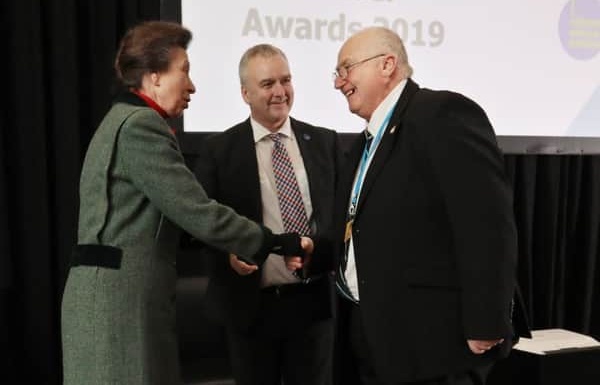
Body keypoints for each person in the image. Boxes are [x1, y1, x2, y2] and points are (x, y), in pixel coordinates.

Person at [61, 22, 308, 385]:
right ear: (154, 76)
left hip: (108, 298)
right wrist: (275, 241)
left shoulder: (120, 120)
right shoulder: (141, 126)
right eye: (185, 71)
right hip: (120, 305)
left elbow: (159, 218)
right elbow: (197, 211)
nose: (192, 86)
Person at [289, 26, 528, 385]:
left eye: (346, 68)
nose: (339, 83)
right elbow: (365, 228)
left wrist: (488, 320)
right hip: (374, 339)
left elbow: (486, 224)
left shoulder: (441, 114)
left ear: (387, 65)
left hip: (434, 345)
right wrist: (318, 253)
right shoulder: (363, 145)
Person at [194, 44, 340, 385]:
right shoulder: (219, 151)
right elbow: (200, 223)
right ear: (245, 93)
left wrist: (318, 250)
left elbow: (338, 220)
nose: (280, 92)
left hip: (313, 304)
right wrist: (228, 253)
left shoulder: (324, 142)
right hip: (251, 308)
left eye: (285, 80)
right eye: (267, 83)